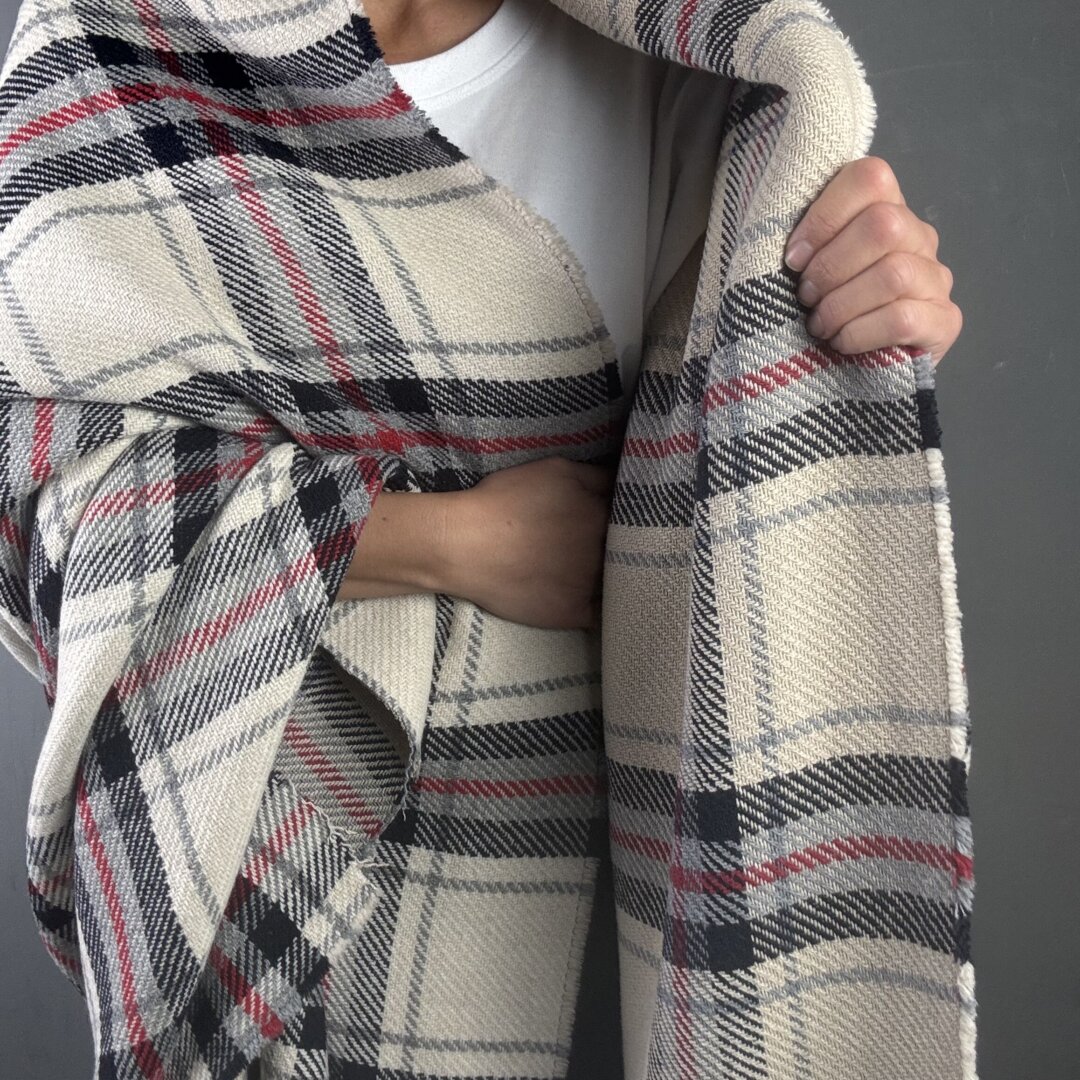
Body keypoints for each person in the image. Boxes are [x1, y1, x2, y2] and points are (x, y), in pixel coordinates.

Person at [338, 0, 963, 634]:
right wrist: (450, 543)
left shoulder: (718, 64)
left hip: (638, 679)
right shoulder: (264, 76)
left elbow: (736, 436)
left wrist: (848, 341)